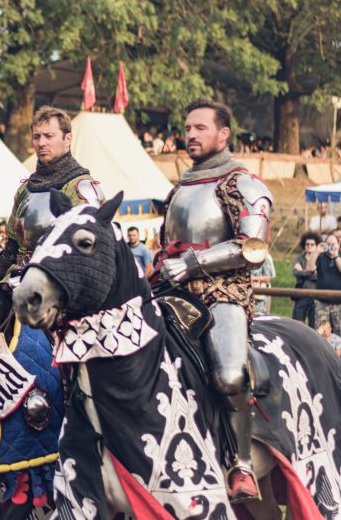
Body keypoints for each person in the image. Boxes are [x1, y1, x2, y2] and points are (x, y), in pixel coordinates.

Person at [156, 99, 273, 502]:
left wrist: (192, 263)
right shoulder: (180, 187)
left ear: (223, 134)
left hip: (222, 293)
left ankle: (241, 463)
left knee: (229, 376)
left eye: (200, 128)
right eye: (188, 128)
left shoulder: (242, 183)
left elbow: (252, 247)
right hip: (172, 292)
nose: (190, 134)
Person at [0, 106, 104, 280]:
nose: (41, 143)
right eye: (36, 136)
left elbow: (89, 252)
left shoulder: (82, 188)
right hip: (16, 278)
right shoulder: (26, 188)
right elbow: (12, 247)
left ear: (67, 139)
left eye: (49, 136)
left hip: (58, 284)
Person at [291, 232, 320, 327]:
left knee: (314, 325)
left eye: (312, 244)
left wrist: (304, 272)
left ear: (316, 246)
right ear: (304, 245)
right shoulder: (299, 258)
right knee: (297, 324)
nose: (309, 246)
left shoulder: (320, 259)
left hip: (316, 295)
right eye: (307, 244)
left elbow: (320, 276)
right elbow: (296, 272)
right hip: (301, 294)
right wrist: (312, 272)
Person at [316, 234, 341, 334]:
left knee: (338, 331)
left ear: (338, 245)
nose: (331, 246)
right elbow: (309, 268)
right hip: (322, 302)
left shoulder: (339, 257)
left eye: (333, 244)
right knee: (321, 332)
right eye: (328, 244)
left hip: (338, 302)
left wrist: (336, 256)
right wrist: (316, 251)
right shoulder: (320, 257)